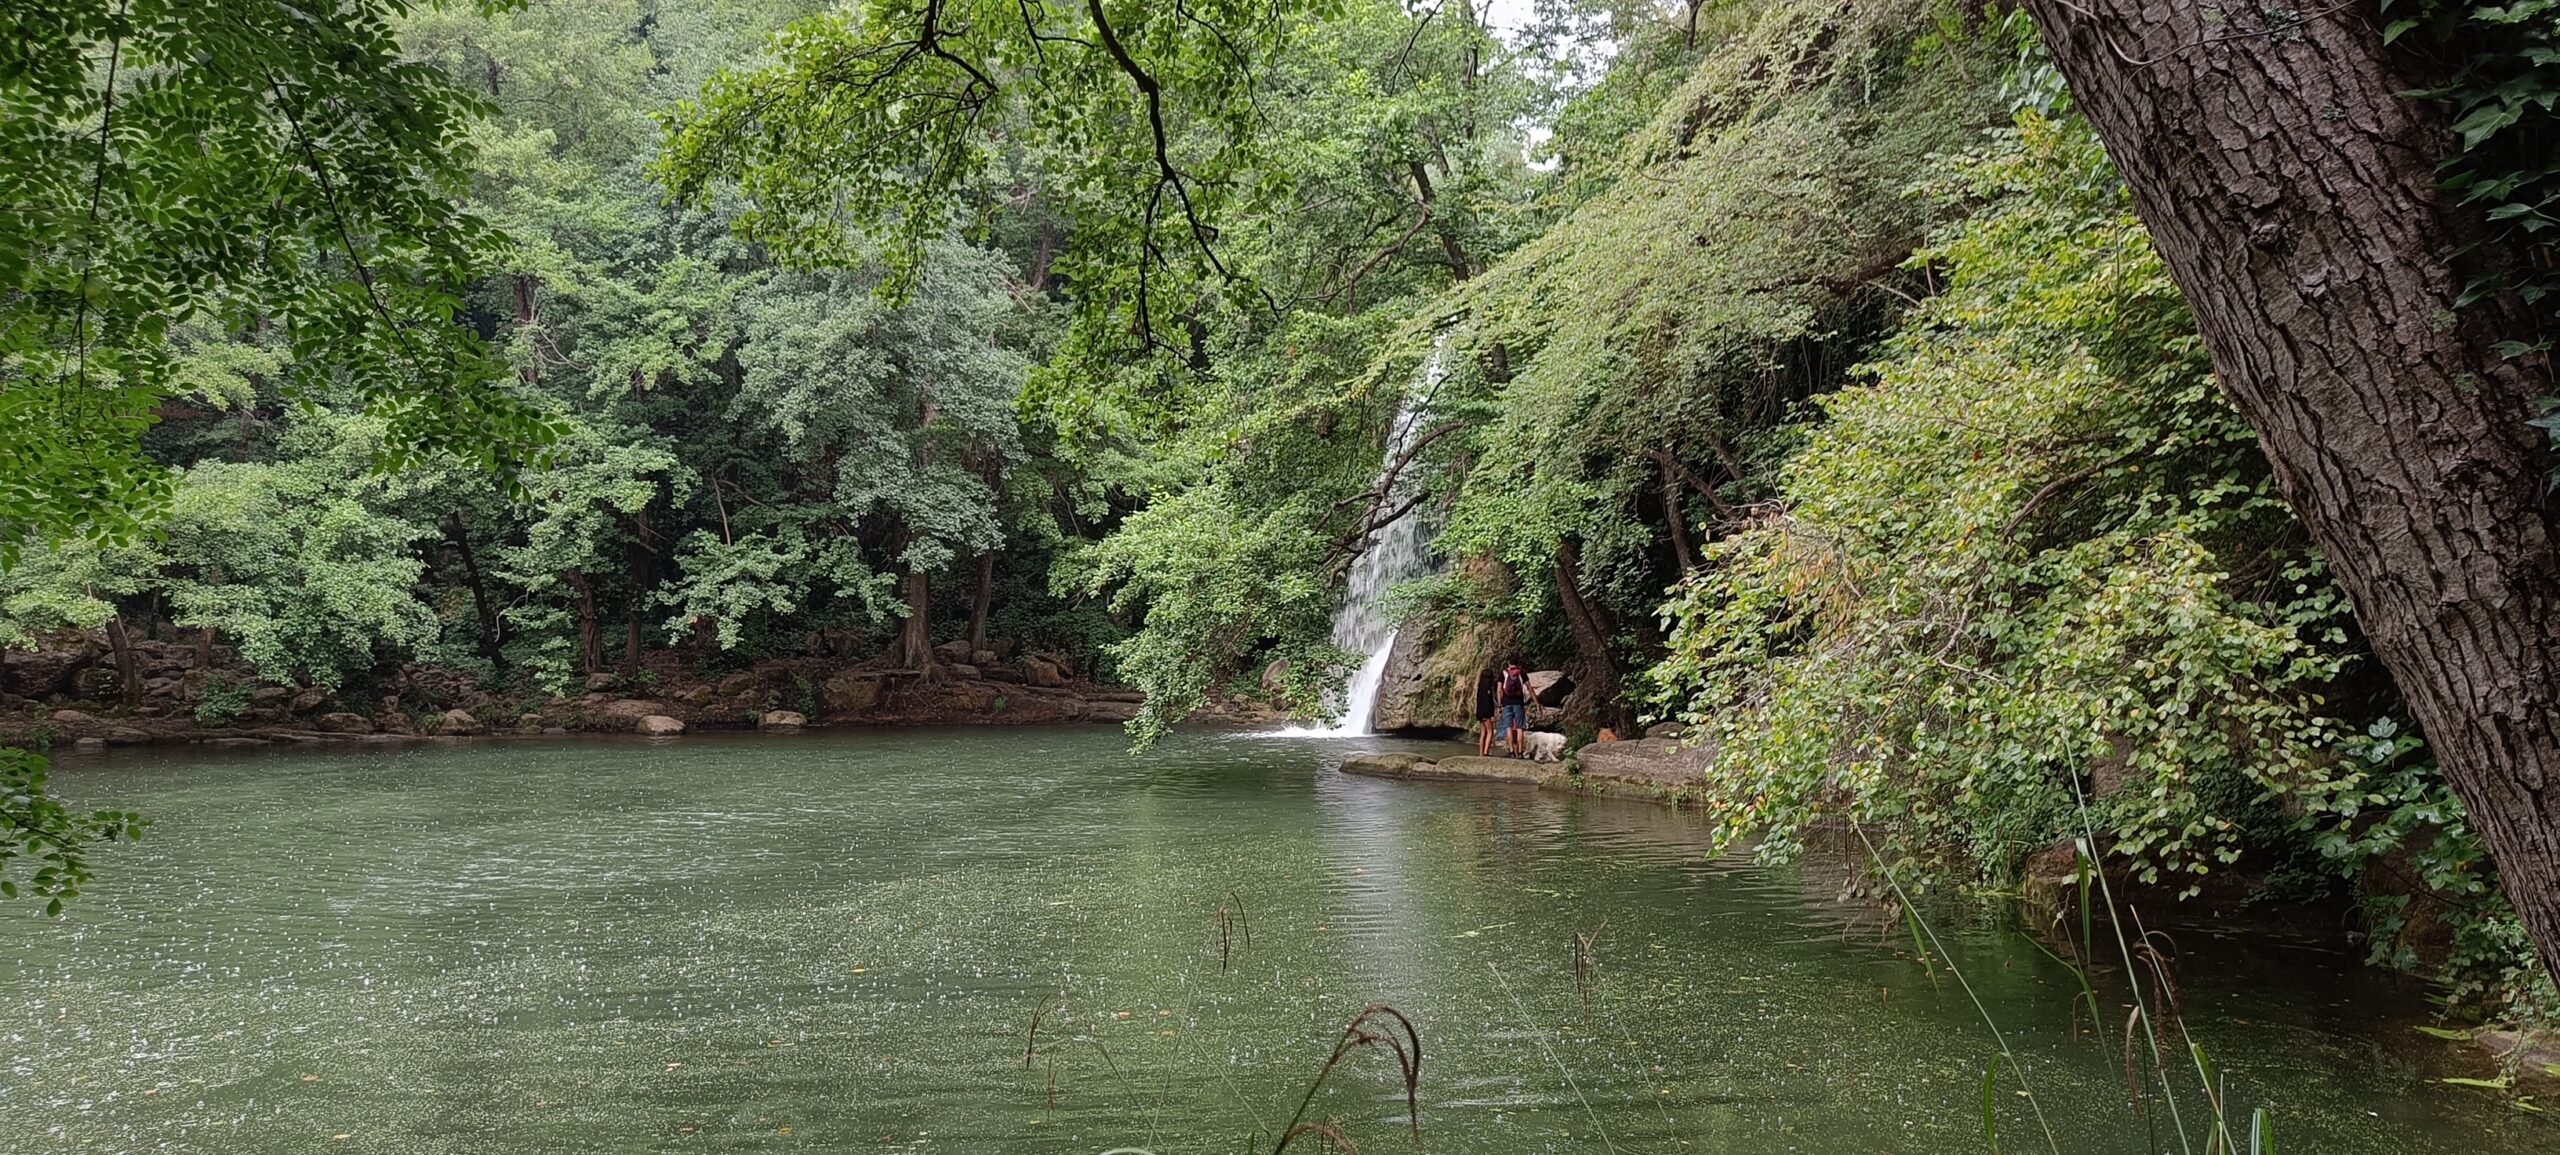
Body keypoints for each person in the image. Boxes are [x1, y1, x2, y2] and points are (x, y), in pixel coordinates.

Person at [1495, 659, 1531, 757]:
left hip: (1506, 703)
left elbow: (1499, 690)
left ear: (1508, 662)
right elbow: (1529, 688)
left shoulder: (1503, 673)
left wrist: (1499, 705)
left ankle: (1511, 752)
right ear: (1518, 663)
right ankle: (1520, 752)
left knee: (1508, 727)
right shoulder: (1521, 673)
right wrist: (1536, 703)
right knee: (1520, 728)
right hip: (1519, 703)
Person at [1474, 666, 1501, 755]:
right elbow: (1488, 702)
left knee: (1482, 733)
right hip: (1487, 712)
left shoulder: (1480, 687)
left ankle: (1481, 753)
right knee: (1490, 732)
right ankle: (1486, 751)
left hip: (1480, 712)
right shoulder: (1488, 688)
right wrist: (1491, 714)